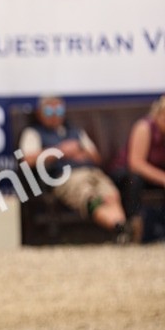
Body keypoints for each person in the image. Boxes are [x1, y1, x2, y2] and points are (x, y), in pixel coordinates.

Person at [18, 95, 129, 239]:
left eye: (58, 111)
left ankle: (123, 230)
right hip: (64, 177)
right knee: (91, 199)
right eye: (49, 112)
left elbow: (95, 156)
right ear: (40, 113)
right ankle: (119, 228)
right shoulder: (33, 133)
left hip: (92, 172)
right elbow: (27, 160)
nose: (54, 116)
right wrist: (60, 151)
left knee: (111, 195)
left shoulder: (75, 131)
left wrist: (80, 152)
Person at [121, 95, 165, 241]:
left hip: (155, 175)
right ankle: (134, 225)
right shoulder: (144, 127)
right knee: (135, 179)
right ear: (158, 114)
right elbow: (136, 164)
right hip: (126, 174)